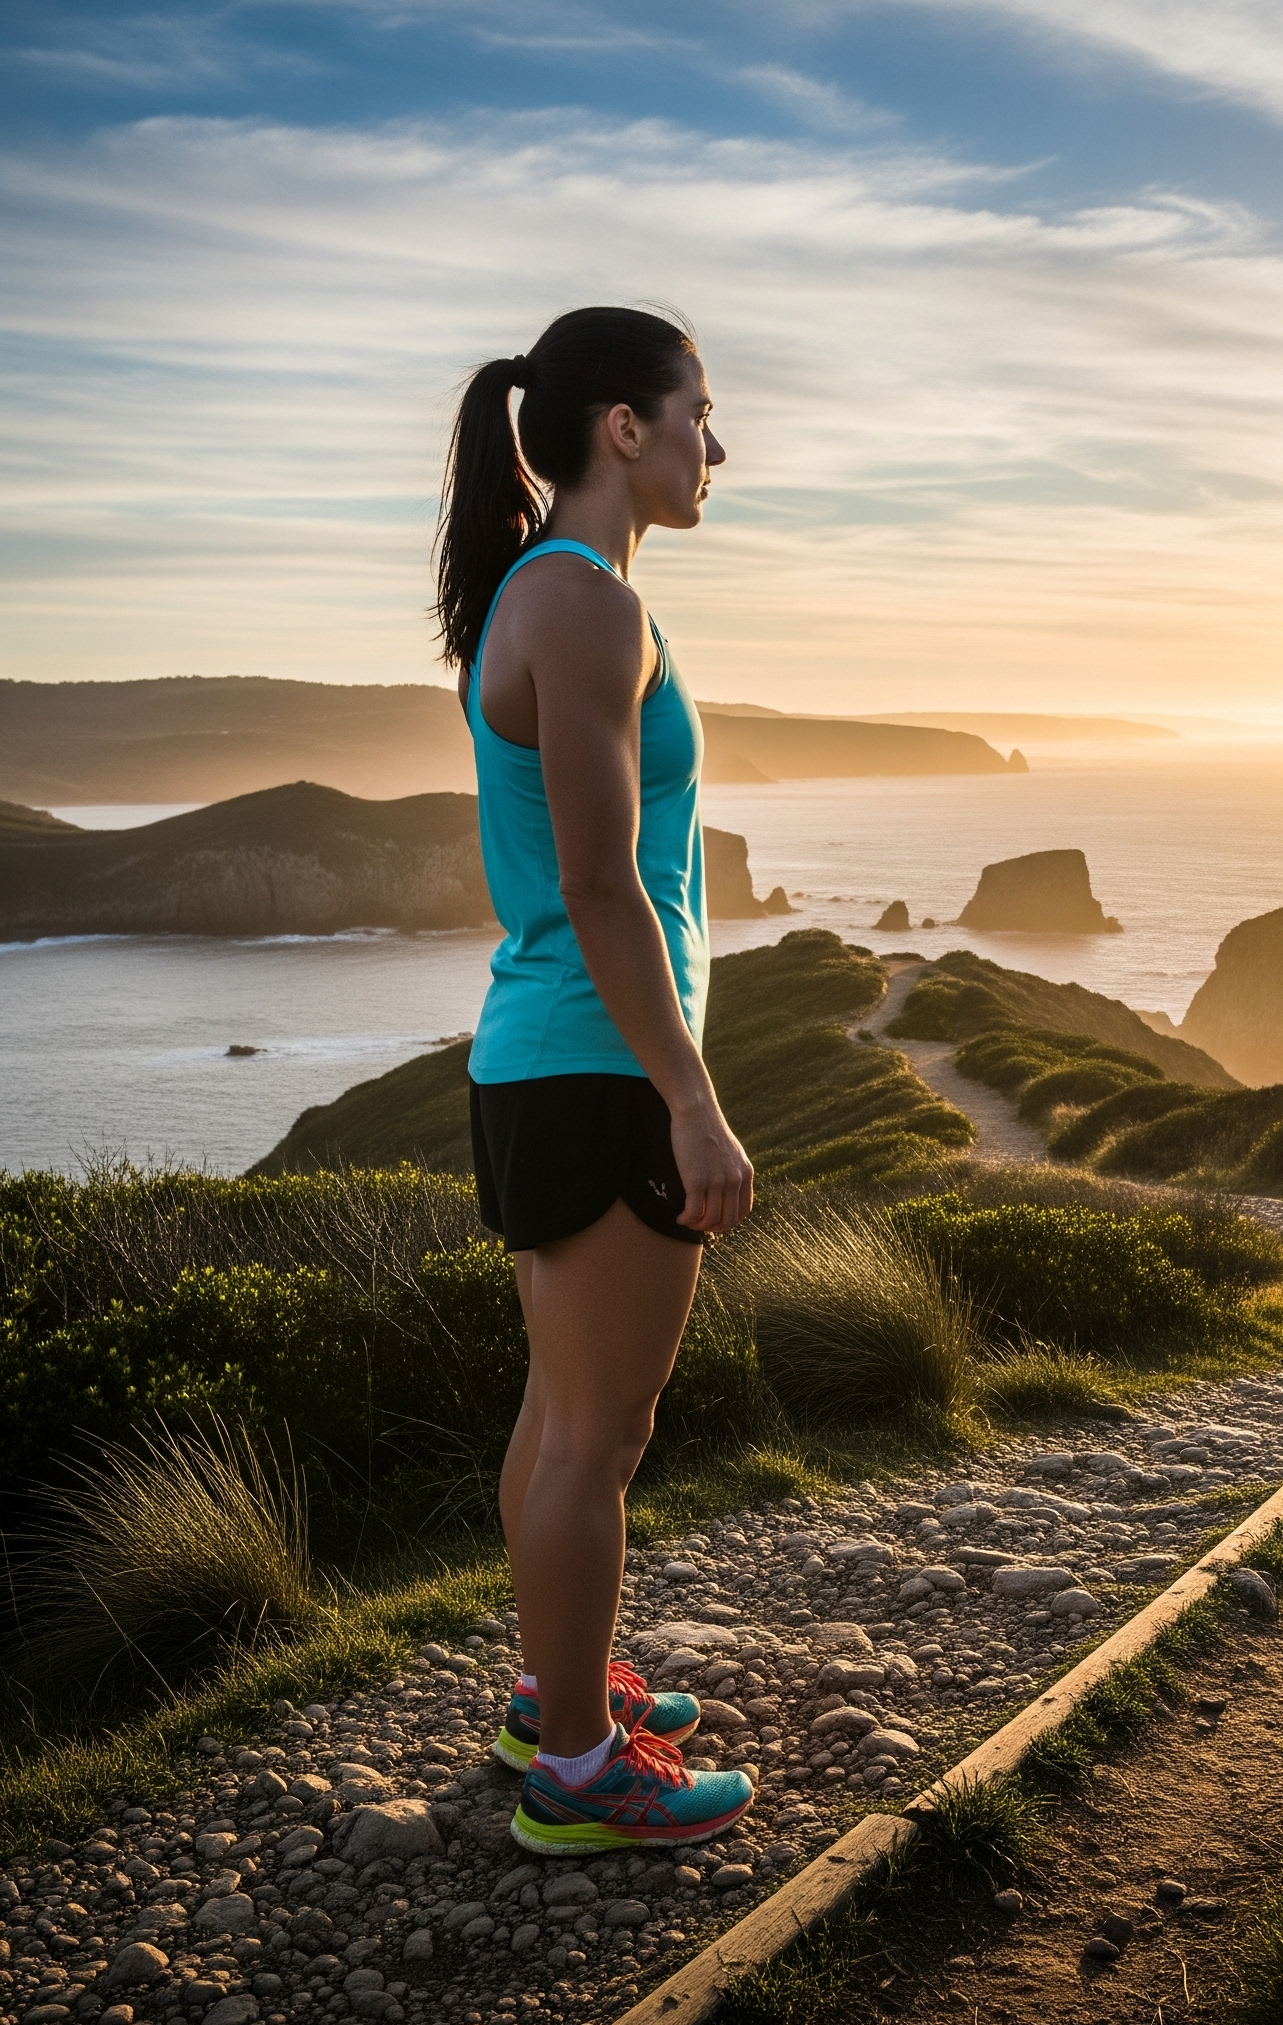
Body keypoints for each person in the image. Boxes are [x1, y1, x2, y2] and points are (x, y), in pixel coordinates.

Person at [436, 305, 756, 1854]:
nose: (717, 446)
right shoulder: (583, 607)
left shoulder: (559, 596)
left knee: (559, 1419)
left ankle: (550, 1694)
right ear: (622, 427)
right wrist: (690, 1095)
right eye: (699, 412)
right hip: (596, 1061)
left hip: (547, 1055)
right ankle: (576, 1773)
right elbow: (603, 881)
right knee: (598, 1440)